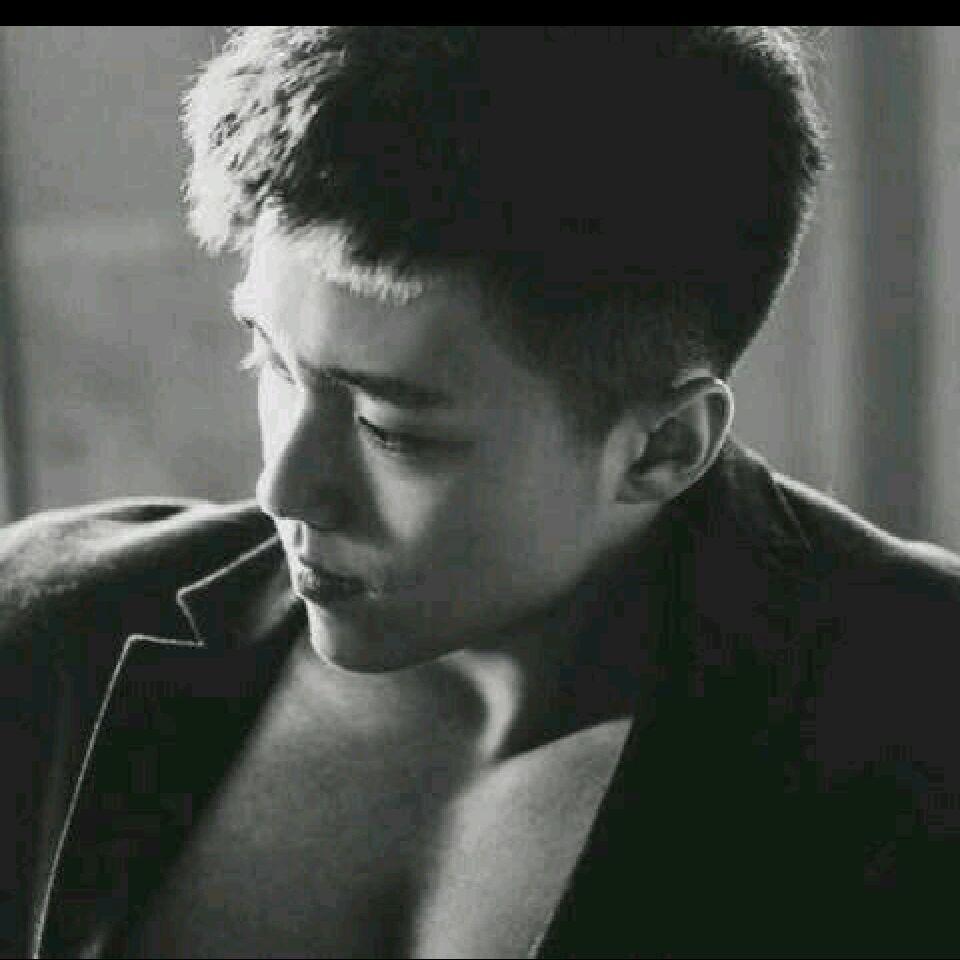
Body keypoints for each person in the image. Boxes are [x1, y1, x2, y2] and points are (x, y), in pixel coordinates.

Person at [4, 26, 959, 959]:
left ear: (662, 448)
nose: (283, 488)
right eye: (274, 363)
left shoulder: (924, 725)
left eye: (394, 430)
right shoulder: (51, 634)